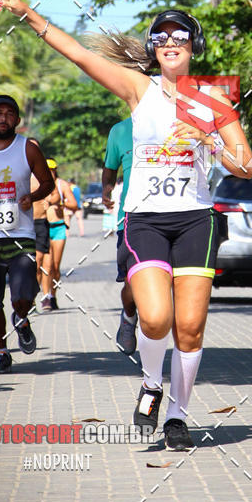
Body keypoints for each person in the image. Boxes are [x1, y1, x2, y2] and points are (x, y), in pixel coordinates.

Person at [0, 0, 252, 451]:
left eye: (179, 36)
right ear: (154, 48)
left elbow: (246, 166)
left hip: (198, 219)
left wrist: (207, 141)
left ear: (194, 45)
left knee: (191, 327)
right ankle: (152, 383)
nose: (169, 42)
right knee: (155, 319)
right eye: (161, 36)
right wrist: (24, 10)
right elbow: (78, 54)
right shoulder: (139, 90)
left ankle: (178, 413)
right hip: (146, 220)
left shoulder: (214, 101)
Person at [0, 95, 54, 373]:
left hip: (21, 235)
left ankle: (22, 318)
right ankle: (2, 350)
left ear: (17, 120)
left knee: (22, 295)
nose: (3, 118)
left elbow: (47, 183)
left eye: (9, 114)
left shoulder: (27, 148)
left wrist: (32, 196)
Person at [102, 116, 137, 355]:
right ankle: (129, 315)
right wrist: (107, 189)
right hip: (132, 219)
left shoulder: (183, 124)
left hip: (177, 220)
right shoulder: (121, 129)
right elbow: (110, 169)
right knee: (133, 283)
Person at [41, 159, 77, 311]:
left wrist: (61, 204)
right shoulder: (39, 184)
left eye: (52, 169)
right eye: (47, 169)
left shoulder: (62, 185)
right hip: (43, 227)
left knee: (55, 266)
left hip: (59, 227)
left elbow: (75, 205)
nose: (50, 172)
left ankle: (53, 295)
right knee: (46, 265)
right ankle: (45, 297)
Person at [28, 139, 53, 308]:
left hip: (40, 222)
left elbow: (55, 191)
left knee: (39, 261)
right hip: (23, 223)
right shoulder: (19, 170)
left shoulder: (43, 173)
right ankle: (30, 297)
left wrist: (51, 200)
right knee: (30, 264)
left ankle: (42, 296)